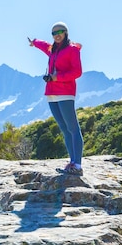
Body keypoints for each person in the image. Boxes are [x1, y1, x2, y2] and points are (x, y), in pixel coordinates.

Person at [28, 21, 84, 176]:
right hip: (51, 94)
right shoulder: (53, 49)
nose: (57, 35)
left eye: (60, 31)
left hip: (65, 92)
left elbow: (77, 72)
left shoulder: (72, 50)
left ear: (65, 32)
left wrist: (57, 77)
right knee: (64, 129)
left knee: (73, 128)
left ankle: (78, 165)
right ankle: (72, 162)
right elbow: (44, 46)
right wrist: (34, 42)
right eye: (54, 33)